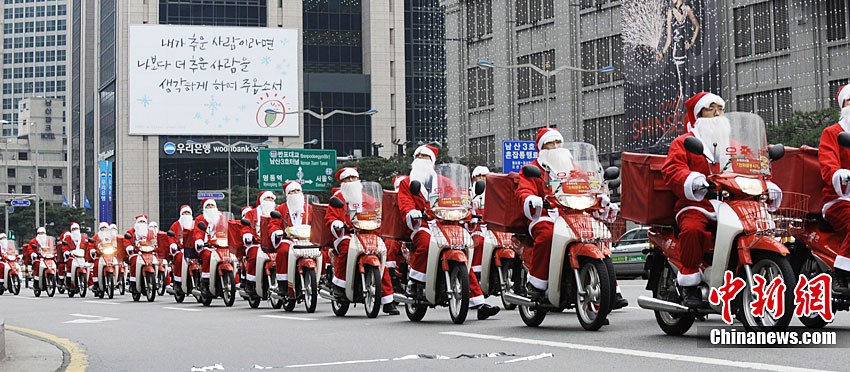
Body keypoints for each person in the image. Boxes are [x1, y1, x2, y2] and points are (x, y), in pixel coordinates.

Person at [662, 91, 781, 306]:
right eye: (711, 108)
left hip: (734, 202)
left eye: (721, 108)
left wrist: (766, 182)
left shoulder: (735, 143)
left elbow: (752, 165)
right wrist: (693, 179)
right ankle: (689, 282)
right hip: (698, 203)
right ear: (699, 114)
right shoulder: (685, 142)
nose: (718, 113)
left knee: (760, 228)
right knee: (693, 229)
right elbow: (672, 170)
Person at [397, 146, 500, 319]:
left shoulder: (445, 181)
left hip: (446, 222)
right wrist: (411, 212)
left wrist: (468, 212)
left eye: (426, 156)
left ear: (432, 162)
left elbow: (459, 199)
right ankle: (415, 282)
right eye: (419, 156)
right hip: (423, 223)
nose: (422, 158)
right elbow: (405, 203)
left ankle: (478, 302)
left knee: (462, 252)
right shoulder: (407, 182)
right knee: (425, 242)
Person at [819, 83, 850, 295]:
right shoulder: (833, 133)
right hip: (839, 199)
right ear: (843, 105)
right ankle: (841, 271)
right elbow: (829, 167)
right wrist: (842, 174)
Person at [268, 182, 309, 298]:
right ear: (287, 194)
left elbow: (316, 223)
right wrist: (278, 232)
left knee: (320, 251)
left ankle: (320, 277)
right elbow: (274, 224)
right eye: (292, 191)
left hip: (306, 239)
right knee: (283, 250)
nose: (296, 194)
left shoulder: (308, 208)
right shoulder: (280, 209)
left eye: (298, 191)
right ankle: (283, 283)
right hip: (288, 239)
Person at [656, 0, 701, 105]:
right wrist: (662, 53)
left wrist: (691, 42)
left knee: (690, 83)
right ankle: (684, 110)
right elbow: (669, 38)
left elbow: (697, 26)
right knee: (682, 86)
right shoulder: (670, 12)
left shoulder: (687, 9)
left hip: (688, 52)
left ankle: (689, 107)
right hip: (678, 53)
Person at [242, 191, 277, 296]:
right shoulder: (251, 213)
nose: (270, 201)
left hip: (273, 244)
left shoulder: (276, 212)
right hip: (256, 243)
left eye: (272, 199)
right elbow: (245, 227)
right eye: (267, 198)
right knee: (253, 255)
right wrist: (247, 234)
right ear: (261, 201)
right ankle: (251, 283)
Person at [193, 199, 223, 296]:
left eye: (212, 205)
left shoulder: (221, 218)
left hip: (221, 246)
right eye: (208, 206)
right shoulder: (200, 219)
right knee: (207, 255)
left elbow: (228, 228)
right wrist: (199, 240)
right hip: (207, 246)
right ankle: (205, 282)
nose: (210, 207)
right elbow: (198, 232)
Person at [167, 205, 194, 292]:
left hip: (194, 249)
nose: (186, 215)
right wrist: (173, 244)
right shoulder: (176, 225)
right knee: (179, 258)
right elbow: (171, 237)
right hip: (181, 249)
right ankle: (178, 282)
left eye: (188, 213)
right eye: (184, 213)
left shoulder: (195, 224)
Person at [125, 214, 153, 292]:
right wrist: (129, 247)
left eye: (143, 222)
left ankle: (156, 280)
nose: (142, 223)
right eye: (140, 221)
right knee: (134, 261)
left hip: (148, 252)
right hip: (136, 253)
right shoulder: (131, 232)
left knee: (156, 261)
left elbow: (154, 240)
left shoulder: (150, 232)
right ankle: (133, 283)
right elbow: (126, 241)